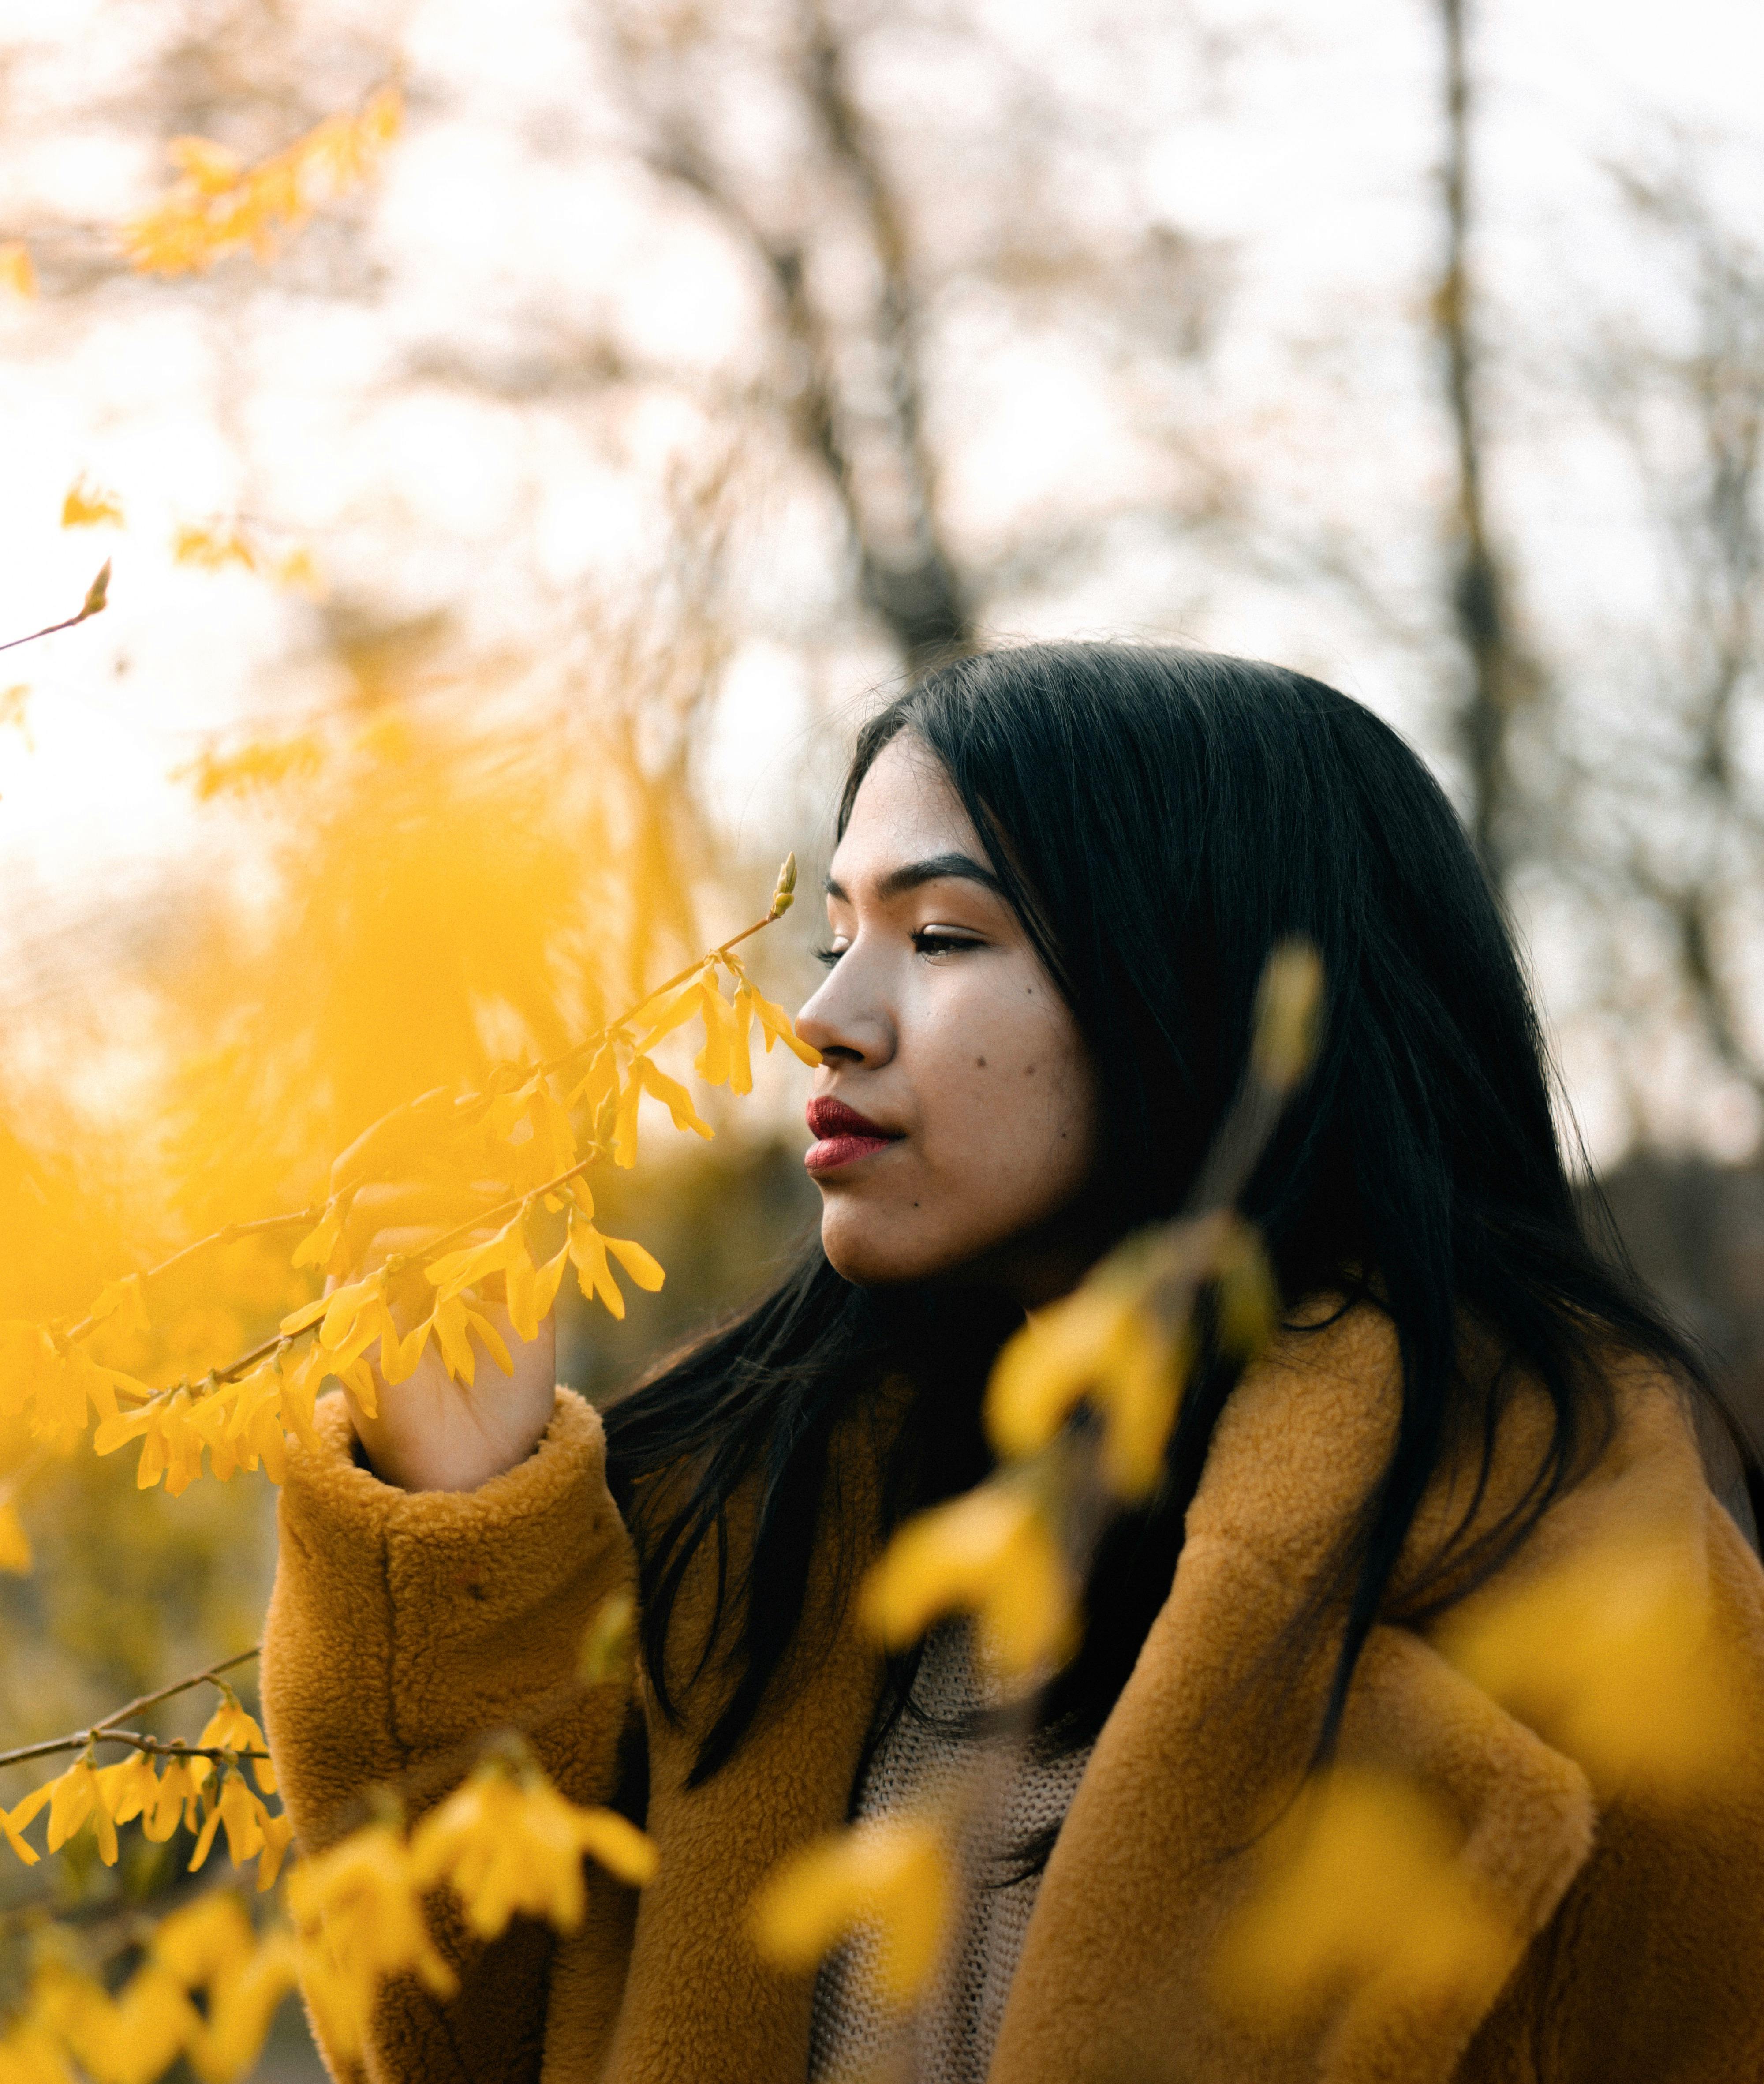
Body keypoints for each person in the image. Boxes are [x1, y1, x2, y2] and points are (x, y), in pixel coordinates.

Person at [261, 641, 1764, 2084]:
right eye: (836, 933)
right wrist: (462, 1515)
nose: (828, 1019)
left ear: (1216, 992)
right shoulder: (746, 1562)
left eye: (942, 937)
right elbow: (461, 2054)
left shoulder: (1592, 1609)